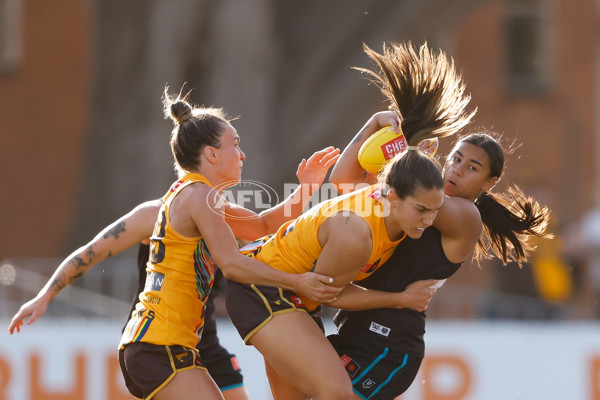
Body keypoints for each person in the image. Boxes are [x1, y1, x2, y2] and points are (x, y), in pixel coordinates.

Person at [11, 90, 344, 400]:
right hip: (158, 346)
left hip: (168, 347)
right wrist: (296, 281)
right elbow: (231, 264)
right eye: (235, 145)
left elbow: (263, 226)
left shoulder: (197, 196)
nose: (242, 154)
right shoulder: (199, 197)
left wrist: (307, 187)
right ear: (211, 154)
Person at [225, 41, 475, 400]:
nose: (428, 220)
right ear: (390, 196)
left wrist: (374, 123)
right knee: (337, 392)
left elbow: (342, 178)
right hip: (264, 292)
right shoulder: (356, 231)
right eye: (421, 210)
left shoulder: (385, 198)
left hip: (295, 297)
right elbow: (334, 294)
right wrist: (400, 299)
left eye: (435, 211)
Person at [325, 114, 551, 399]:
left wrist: (406, 158)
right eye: (455, 159)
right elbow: (341, 179)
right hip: (353, 327)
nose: (457, 170)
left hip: (389, 347)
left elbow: (413, 191)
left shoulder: (467, 216)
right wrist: (373, 123)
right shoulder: (408, 197)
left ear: (489, 183)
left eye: (472, 167)